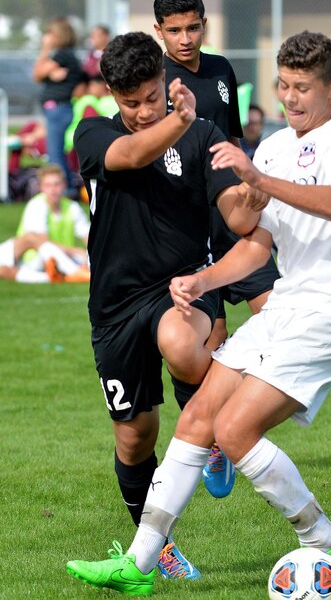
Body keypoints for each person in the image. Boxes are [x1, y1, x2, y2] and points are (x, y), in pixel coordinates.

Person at [66, 29, 331, 597]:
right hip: (283, 306)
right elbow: (256, 242)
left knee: (233, 429)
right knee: (198, 421)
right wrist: (203, 280)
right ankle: (141, 564)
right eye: (283, 86)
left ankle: (321, 537)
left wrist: (257, 182)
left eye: (303, 87)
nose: (291, 98)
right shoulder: (276, 147)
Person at [66, 31, 265, 582]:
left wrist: (256, 189)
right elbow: (128, 155)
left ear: (164, 80)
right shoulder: (94, 133)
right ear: (112, 94)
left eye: (151, 97)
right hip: (113, 305)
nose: (143, 111)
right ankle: (158, 545)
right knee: (135, 437)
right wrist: (174, 120)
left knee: (181, 341)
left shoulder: (200, 135)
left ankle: (217, 429)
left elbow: (237, 217)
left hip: (181, 287)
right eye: (130, 102)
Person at [154, 0, 280, 498]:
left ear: (204, 24)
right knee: (210, 345)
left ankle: (240, 422)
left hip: (232, 219)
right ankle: (215, 443)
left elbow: (231, 140)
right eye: (175, 30)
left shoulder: (223, 70)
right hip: (188, 227)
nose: (185, 39)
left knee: (278, 316)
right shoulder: (154, 81)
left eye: (193, 27)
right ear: (158, 32)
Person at [1, 164, 90, 283]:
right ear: (41, 187)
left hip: (60, 258)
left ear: (64, 185)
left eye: (56, 184)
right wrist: (75, 251)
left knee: (85, 257)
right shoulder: (37, 205)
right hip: (32, 258)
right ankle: (72, 272)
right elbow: (41, 242)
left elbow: (89, 238)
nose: (53, 189)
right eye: (48, 185)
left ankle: (64, 274)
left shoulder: (72, 207)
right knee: (32, 242)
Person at [33, 17, 83, 191]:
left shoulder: (63, 55)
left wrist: (45, 49)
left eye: (50, 33)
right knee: (56, 152)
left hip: (59, 109)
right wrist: (50, 71)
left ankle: (65, 190)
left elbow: (37, 74)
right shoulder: (65, 56)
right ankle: (68, 187)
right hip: (58, 110)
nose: (47, 37)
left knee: (54, 153)